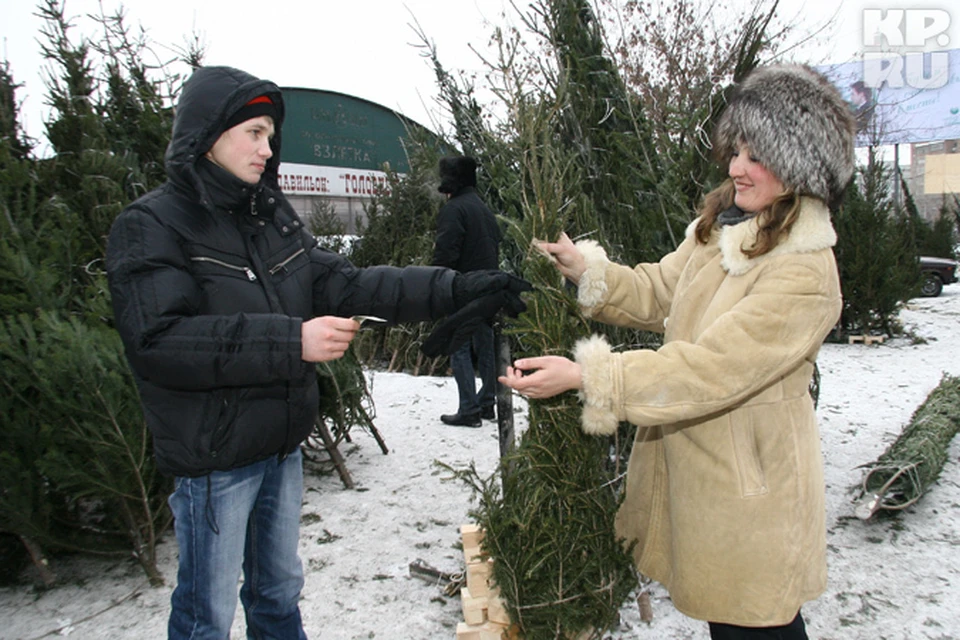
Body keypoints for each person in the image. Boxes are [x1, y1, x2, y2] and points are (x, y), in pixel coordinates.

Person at [106, 65, 528, 639]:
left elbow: (351, 285)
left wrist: (457, 287)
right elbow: (159, 342)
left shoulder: (271, 219)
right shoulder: (152, 225)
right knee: (206, 618)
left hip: (280, 449)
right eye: (254, 132)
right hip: (214, 463)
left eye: (270, 135)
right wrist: (293, 340)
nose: (267, 147)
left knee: (278, 597)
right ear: (209, 134)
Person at [498, 64, 855, 639]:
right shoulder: (725, 228)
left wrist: (590, 376)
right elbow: (660, 291)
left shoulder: (805, 270)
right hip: (709, 484)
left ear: (800, 165)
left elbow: (712, 369)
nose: (737, 167)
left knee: (757, 625)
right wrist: (588, 271)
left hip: (752, 495)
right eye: (736, 149)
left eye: (756, 154)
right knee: (734, 622)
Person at [431, 155, 503, 427]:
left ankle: (469, 409)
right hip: (489, 286)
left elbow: (446, 250)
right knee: (485, 345)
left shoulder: (454, 209)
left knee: (458, 345)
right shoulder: (483, 209)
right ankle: (486, 404)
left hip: (462, 286)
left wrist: (435, 281)